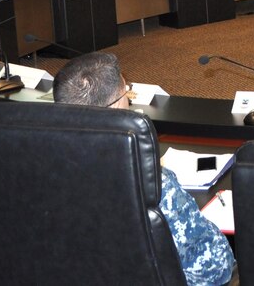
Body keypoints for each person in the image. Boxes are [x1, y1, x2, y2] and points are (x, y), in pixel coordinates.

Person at [52, 52, 235, 286]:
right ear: (118, 103)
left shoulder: (34, 168)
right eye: (126, 90)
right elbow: (214, 271)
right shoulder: (152, 182)